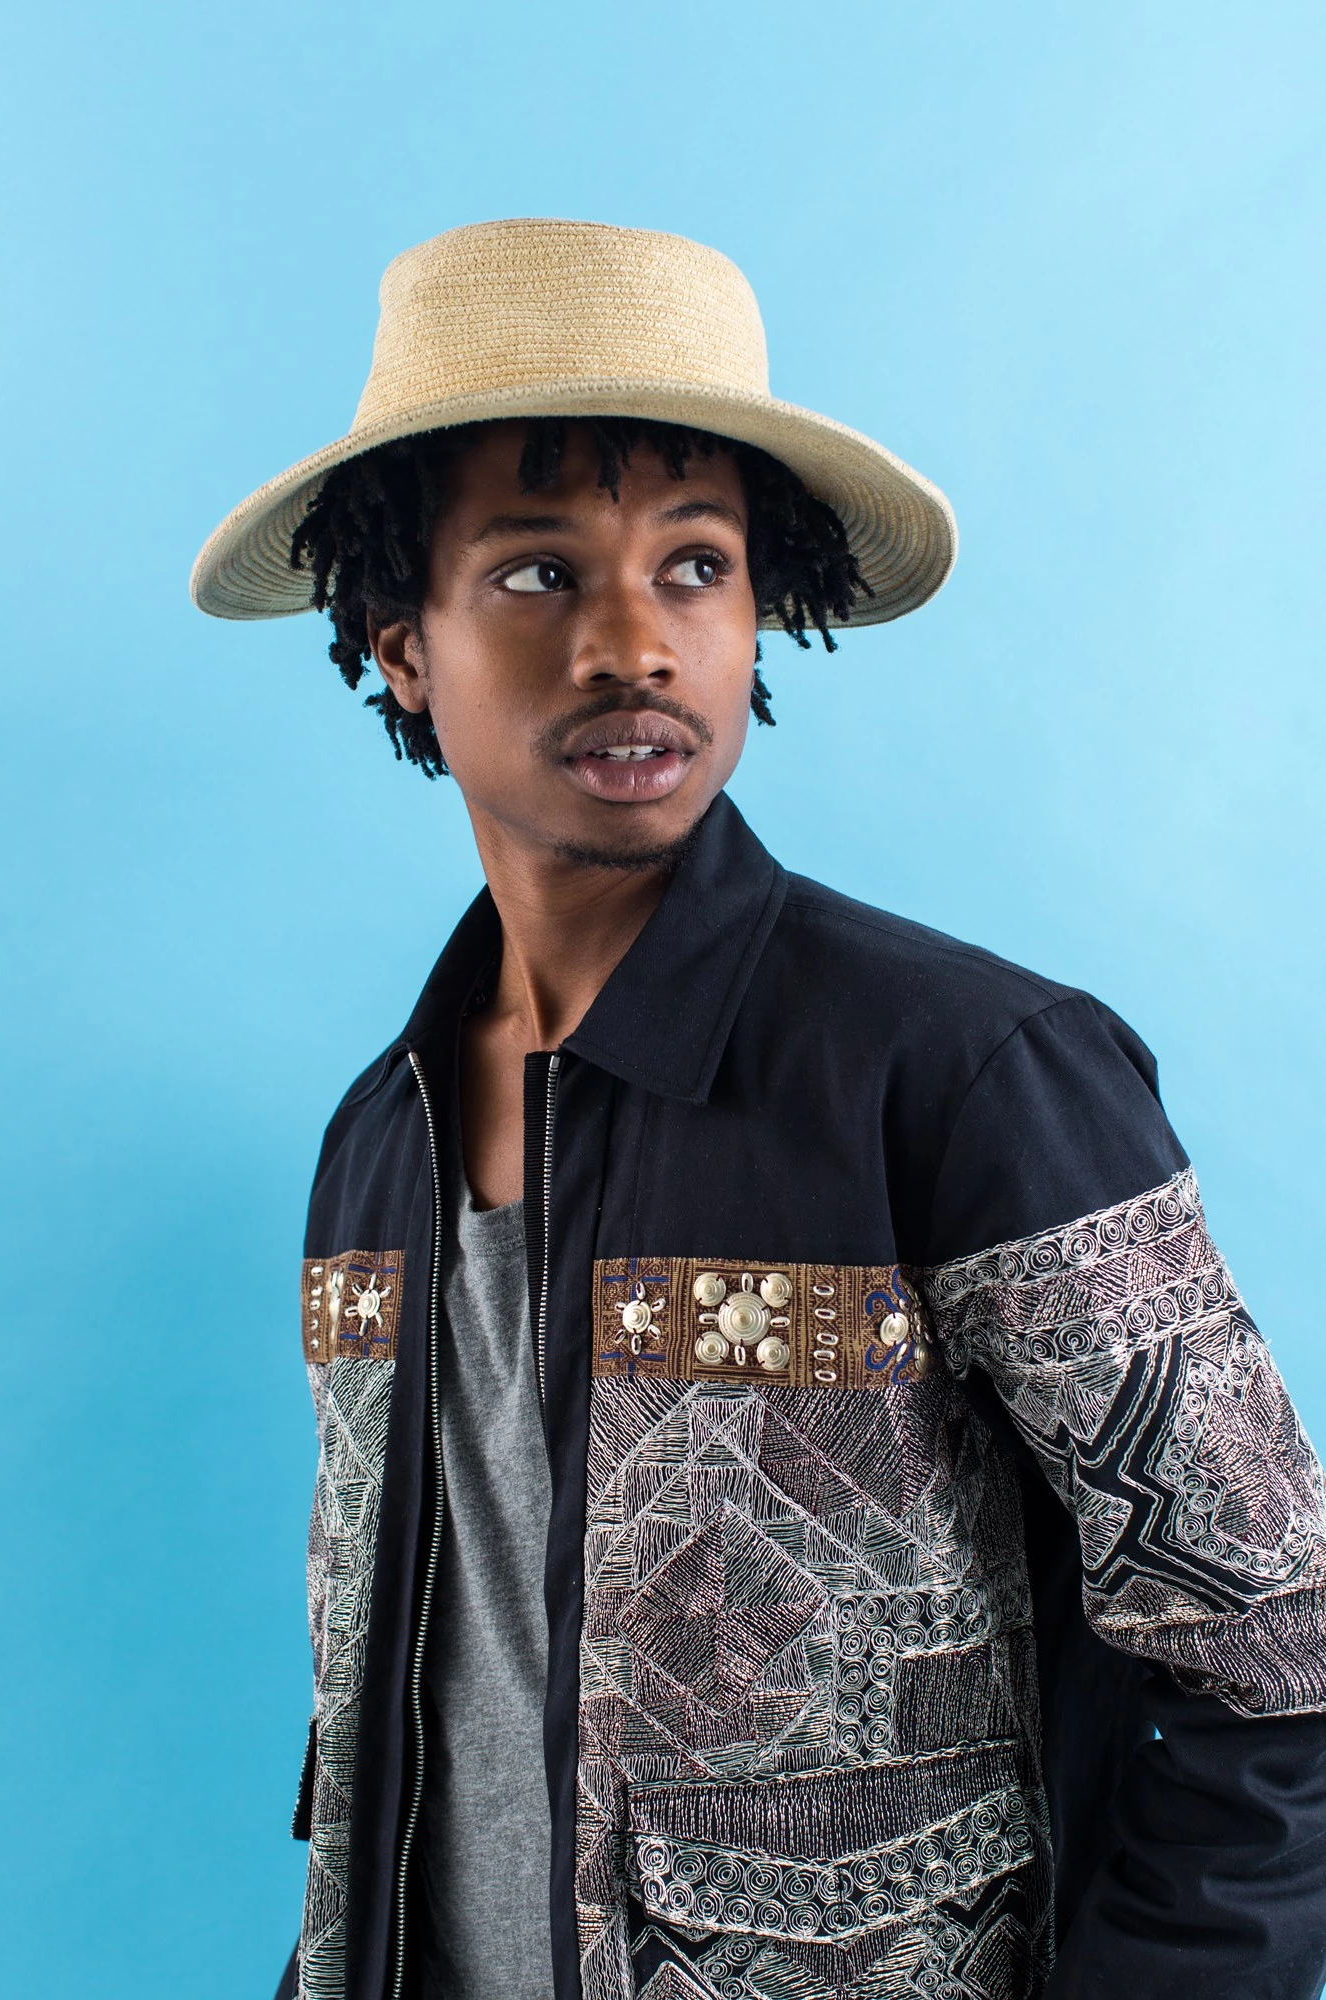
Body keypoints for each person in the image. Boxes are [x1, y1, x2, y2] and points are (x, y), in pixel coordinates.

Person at [192, 219, 1326, 2000]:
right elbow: (401, 1715)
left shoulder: (972, 1069)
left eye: (696, 565)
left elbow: (1280, 1667)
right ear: (399, 643)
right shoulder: (377, 1143)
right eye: (538, 572)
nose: (633, 644)